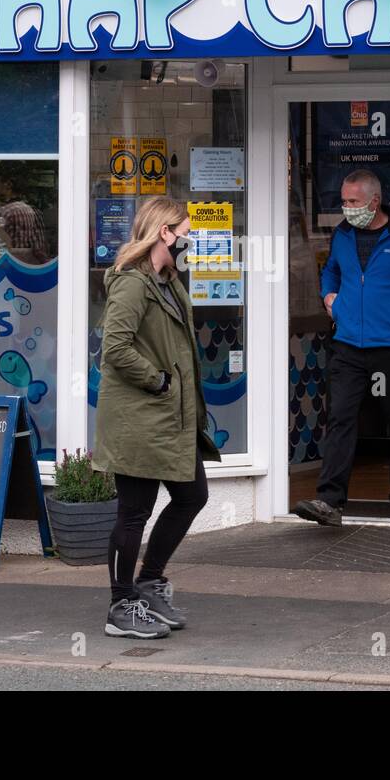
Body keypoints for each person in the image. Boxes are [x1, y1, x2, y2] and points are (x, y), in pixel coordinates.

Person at [93, 196, 220, 638]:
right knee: (134, 512)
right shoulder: (133, 282)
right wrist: (159, 381)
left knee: (191, 496)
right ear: (164, 232)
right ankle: (120, 604)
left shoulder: (168, 280)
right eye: (185, 231)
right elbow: (115, 348)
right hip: (140, 419)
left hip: (172, 419)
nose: (191, 239)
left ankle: (149, 582)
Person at [292, 169, 390, 526]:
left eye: (353, 202)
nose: (347, 208)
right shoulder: (343, 235)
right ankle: (329, 501)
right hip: (347, 344)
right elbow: (330, 270)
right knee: (341, 420)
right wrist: (328, 295)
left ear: (374, 201)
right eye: (344, 202)